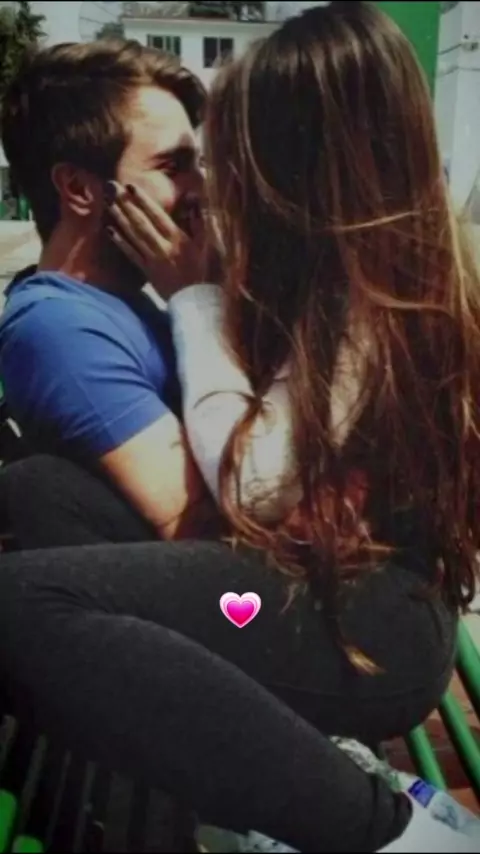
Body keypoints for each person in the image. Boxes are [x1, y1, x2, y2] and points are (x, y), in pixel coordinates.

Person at [0, 2, 479, 851]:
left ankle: (397, 834)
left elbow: (241, 490)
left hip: (366, 622)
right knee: (42, 491)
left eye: (223, 160)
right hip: (310, 592)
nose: (212, 188)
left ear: (296, 167)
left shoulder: (369, 299)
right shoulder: (341, 276)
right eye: (182, 165)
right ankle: (266, 769)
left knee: (15, 607)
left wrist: (195, 295)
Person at [0, 40, 221, 542]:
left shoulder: (135, 302)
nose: (201, 190)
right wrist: (200, 301)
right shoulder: (58, 329)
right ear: (79, 190)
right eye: (173, 167)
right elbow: (196, 523)